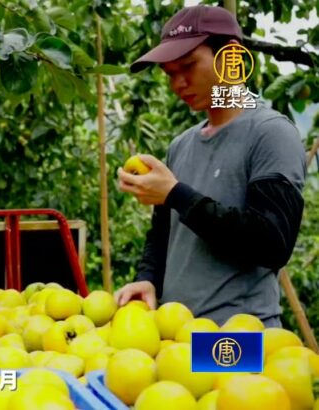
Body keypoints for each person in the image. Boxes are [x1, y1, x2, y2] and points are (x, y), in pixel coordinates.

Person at [114, 5, 306, 328]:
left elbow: (272, 242)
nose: (178, 83)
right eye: (169, 73)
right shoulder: (181, 145)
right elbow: (163, 235)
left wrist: (176, 194)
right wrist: (147, 279)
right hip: (179, 335)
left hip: (240, 341)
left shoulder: (271, 133)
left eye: (188, 66)